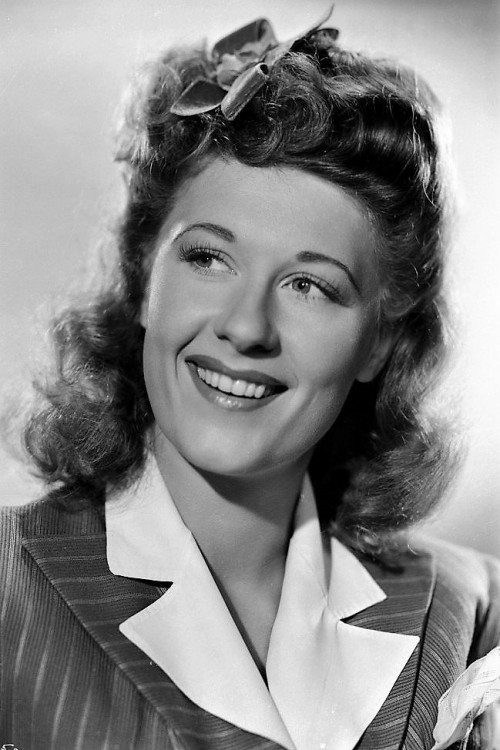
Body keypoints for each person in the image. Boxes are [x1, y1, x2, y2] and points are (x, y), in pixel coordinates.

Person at [1, 11, 499, 750]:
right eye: (209, 258)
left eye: (310, 286)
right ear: (143, 278)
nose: (246, 327)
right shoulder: (9, 588)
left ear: (379, 343)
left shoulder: (471, 614)